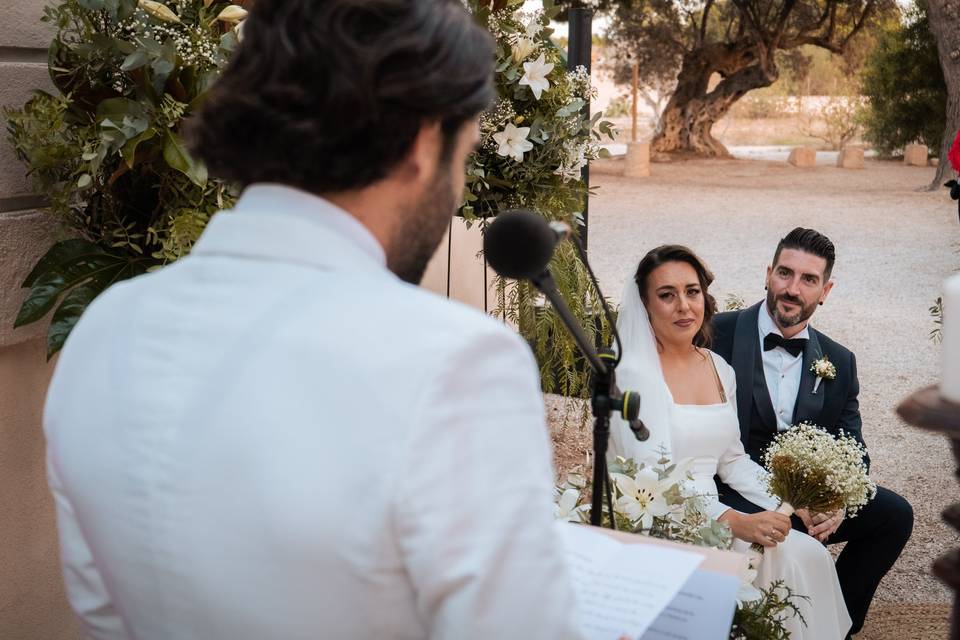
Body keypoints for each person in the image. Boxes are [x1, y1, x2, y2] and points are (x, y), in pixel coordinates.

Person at [42, 1, 584, 638]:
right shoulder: (456, 363)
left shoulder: (104, 329)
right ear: (423, 141)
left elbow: (102, 618)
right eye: (462, 158)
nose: (457, 189)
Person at [610, 245, 851, 639]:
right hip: (667, 520)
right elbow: (650, 481)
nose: (684, 306)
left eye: (692, 292)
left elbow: (733, 461)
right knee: (786, 558)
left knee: (808, 552)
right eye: (667, 295)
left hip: (720, 510)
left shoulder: (718, 367)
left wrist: (790, 503)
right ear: (645, 303)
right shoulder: (633, 376)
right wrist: (735, 522)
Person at [712, 227, 914, 637]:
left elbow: (853, 447)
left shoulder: (839, 359)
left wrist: (837, 502)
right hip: (735, 491)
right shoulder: (718, 333)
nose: (792, 289)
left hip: (810, 501)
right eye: (785, 273)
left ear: (825, 290)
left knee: (894, 516)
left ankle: (835, 623)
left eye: (808, 280)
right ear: (768, 274)